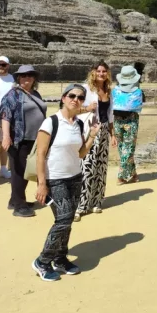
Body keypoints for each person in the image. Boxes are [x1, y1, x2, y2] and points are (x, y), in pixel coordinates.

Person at [32, 84, 100, 282]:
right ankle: (43, 261)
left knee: (67, 220)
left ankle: (60, 258)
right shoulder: (50, 123)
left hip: (75, 177)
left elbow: (80, 153)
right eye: (72, 96)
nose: (76, 100)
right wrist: (41, 184)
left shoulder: (78, 124)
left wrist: (92, 136)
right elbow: (40, 156)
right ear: (63, 98)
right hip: (55, 179)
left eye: (80, 97)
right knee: (63, 219)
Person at [0, 65, 47, 217]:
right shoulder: (13, 95)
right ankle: (19, 206)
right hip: (19, 139)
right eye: (23, 75)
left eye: (30, 75)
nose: (27, 78)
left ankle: (15, 200)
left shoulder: (35, 94)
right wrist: (6, 136)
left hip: (34, 138)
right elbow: (5, 116)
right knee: (20, 172)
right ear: (18, 78)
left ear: (34, 78)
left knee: (24, 170)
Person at [74, 61, 117, 221]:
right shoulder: (85, 89)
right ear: (93, 72)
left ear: (107, 73)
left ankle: (96, 201)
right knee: (86, 167)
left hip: (104, 130)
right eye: (98, 71)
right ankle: (80, 206)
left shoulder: (108, 90)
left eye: (104, 71)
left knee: (100, 167)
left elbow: (110, 114)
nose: (101, 73)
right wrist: (87, 108)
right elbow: (71, 109)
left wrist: (112, 134)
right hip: (91, 130)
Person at [112, 65, 144, 185]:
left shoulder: (115, 91)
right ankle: (132, 174)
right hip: (125, 121)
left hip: (124, 121)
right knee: (124, 149)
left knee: (127, 149)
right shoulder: (137, 92)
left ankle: (122, 175)